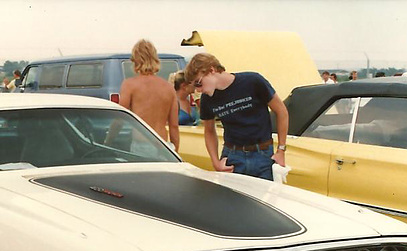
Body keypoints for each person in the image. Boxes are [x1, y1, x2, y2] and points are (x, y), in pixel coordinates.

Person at [184, 53, 289, 181]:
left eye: (198, 83)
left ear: (211, 70)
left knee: (264, 199)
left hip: (263, 154)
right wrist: (215, 162)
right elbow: (209, 131)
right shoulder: (207, 99)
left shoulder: (253, 81)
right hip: (232, 156)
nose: (198, 90)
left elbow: (281, 111)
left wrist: (281, 150)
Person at [116, 39, 179, 150]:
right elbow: (174, 126)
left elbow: (119, 119)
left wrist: (107, 141)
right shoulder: (168, 88)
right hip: (163, 145)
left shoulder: (129, 85)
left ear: (135, 60)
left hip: (141, 144)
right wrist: (175, 152)